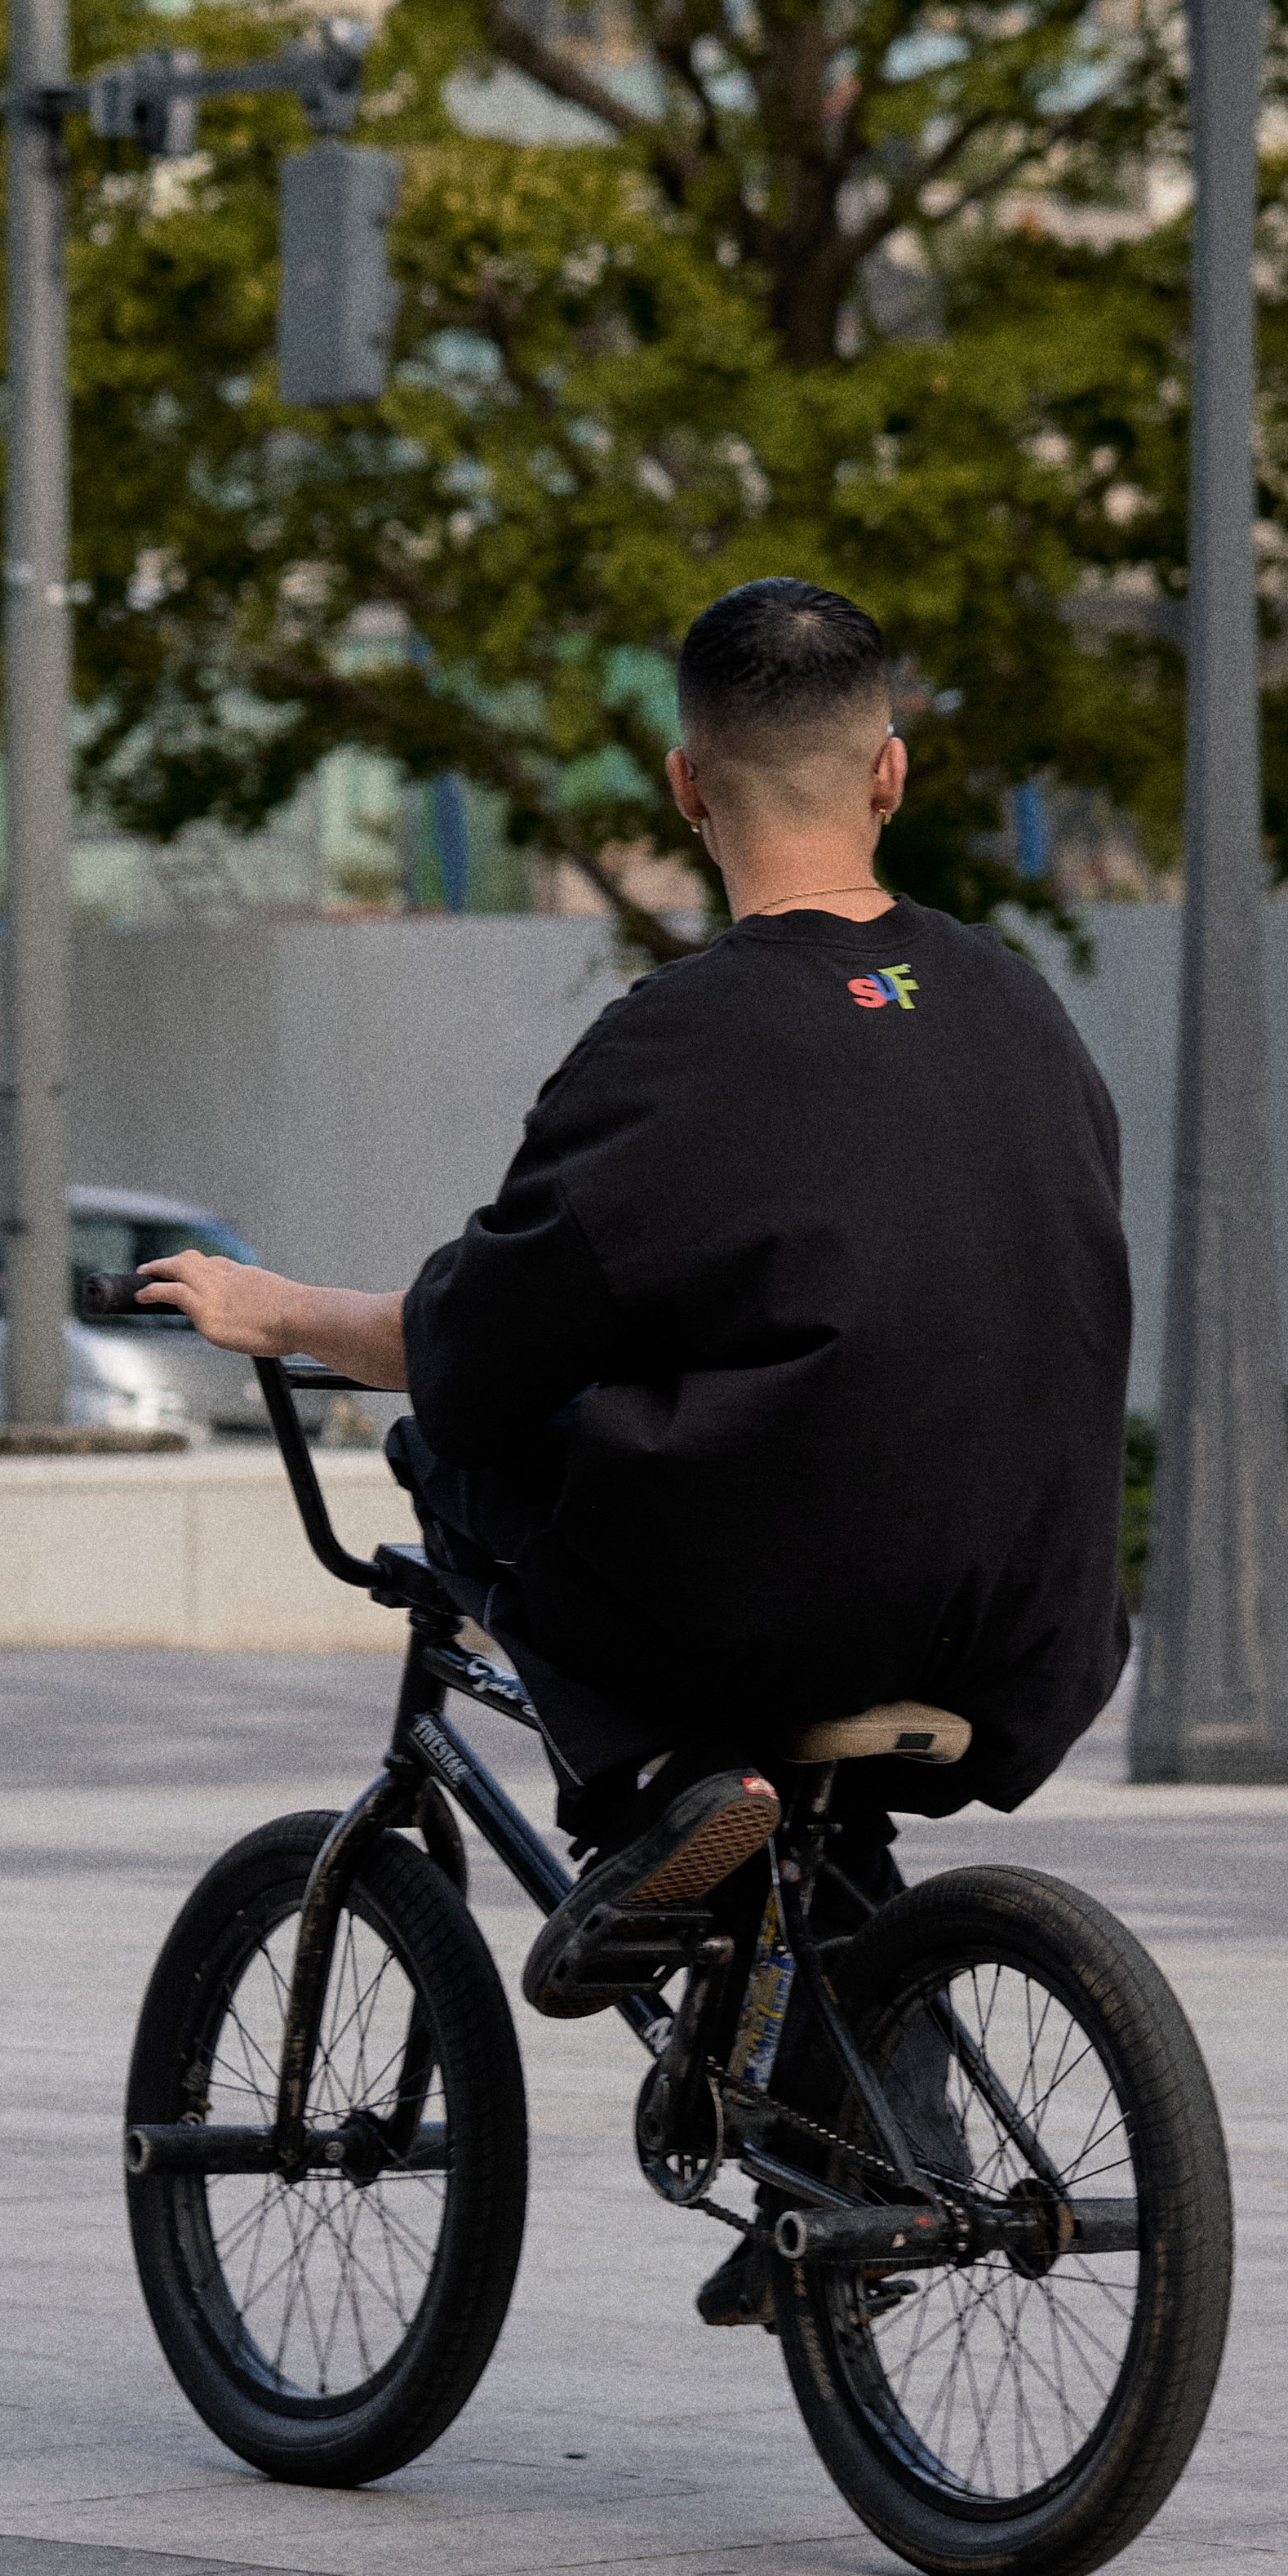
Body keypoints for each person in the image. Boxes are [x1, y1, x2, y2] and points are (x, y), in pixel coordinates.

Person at [136, 579, 1130, 2150]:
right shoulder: (1018, 1002)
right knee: (806, 1822)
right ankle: (858, 2155)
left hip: (794, 1605)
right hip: (1040, 1618)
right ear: (892, 773)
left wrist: (283, 1311)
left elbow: (473, 1348)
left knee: (459, 1451)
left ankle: (667, 1783)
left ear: (685, 787)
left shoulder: (680, 1041)